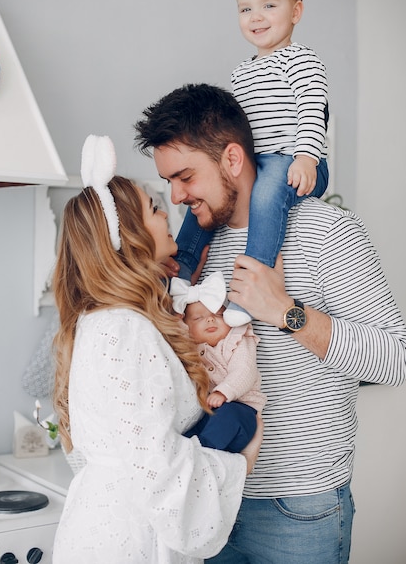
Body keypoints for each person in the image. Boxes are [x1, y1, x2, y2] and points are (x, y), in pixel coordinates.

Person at [134, 83, 406, 564]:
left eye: (185, 177)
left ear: (233, 159)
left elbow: (395, 359)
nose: (176, 196)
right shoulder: (192, 254)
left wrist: (285, 311)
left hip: (299, 509)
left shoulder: (329, 232)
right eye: (169, 181)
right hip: (211, 497)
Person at [52, 135, 262, 564]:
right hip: (131, 543)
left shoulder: (110, 320)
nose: (168, 210)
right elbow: (156, 469)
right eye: (153, 208)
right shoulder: (124, 330)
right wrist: (241, 463)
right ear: (130, 234)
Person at [174, 0, 329, 328]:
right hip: (257, 162)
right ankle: (179, 271)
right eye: (246, 9)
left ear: (296, 11)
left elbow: (311, 111)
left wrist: (306, 157)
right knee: (208, 196)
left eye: (268, 6)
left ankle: (252, 280)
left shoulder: (301, 60)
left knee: (264, 193)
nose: (256, 17)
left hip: (293, 160)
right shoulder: (241, 72)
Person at [170, 272, 266, 452]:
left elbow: (244, 371)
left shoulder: (237, 341)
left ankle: (202, 457)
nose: (210, 319)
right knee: (188, 434)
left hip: (241, 410)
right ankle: (185, 457)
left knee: (228, 417)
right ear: (187, 328)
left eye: (219, 314)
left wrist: (223, 392)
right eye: (198, 318)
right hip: (207, 414)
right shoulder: (190, 348)